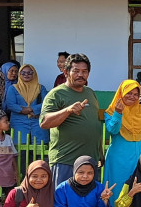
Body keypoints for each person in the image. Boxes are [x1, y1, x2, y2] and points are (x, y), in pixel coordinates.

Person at [40, 53, 104, 185]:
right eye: (76, 71)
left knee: (88, 204)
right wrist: (68, 110)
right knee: (63, 203)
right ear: (66, 72)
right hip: (66, 161)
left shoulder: (90, 93)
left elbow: (94, 124)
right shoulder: (56, 94)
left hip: (89, 162)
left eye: (84, 71)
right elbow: (44, 122)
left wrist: (99, 153)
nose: (81, 75)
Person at [104, 79, 141, 195]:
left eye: (135, 94)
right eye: (128, 93)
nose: (132, 97)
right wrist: (118, 113)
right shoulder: (111, 110)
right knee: (117, 185)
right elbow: (113, 130)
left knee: (139, 185)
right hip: (119, 157)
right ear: (121, 93)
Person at [4, 63, 49, 145]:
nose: (26, 75)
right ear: (19, 74)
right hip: (19, 121)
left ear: (34, 74)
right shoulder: (13, 88)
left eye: (29, 73)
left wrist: (32, 109)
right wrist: (22, 110)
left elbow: (46, 103)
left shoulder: (40, 88)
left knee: (39, 148)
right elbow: (10, 104)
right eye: (23, 73)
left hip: (37, 121)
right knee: (21, 150)